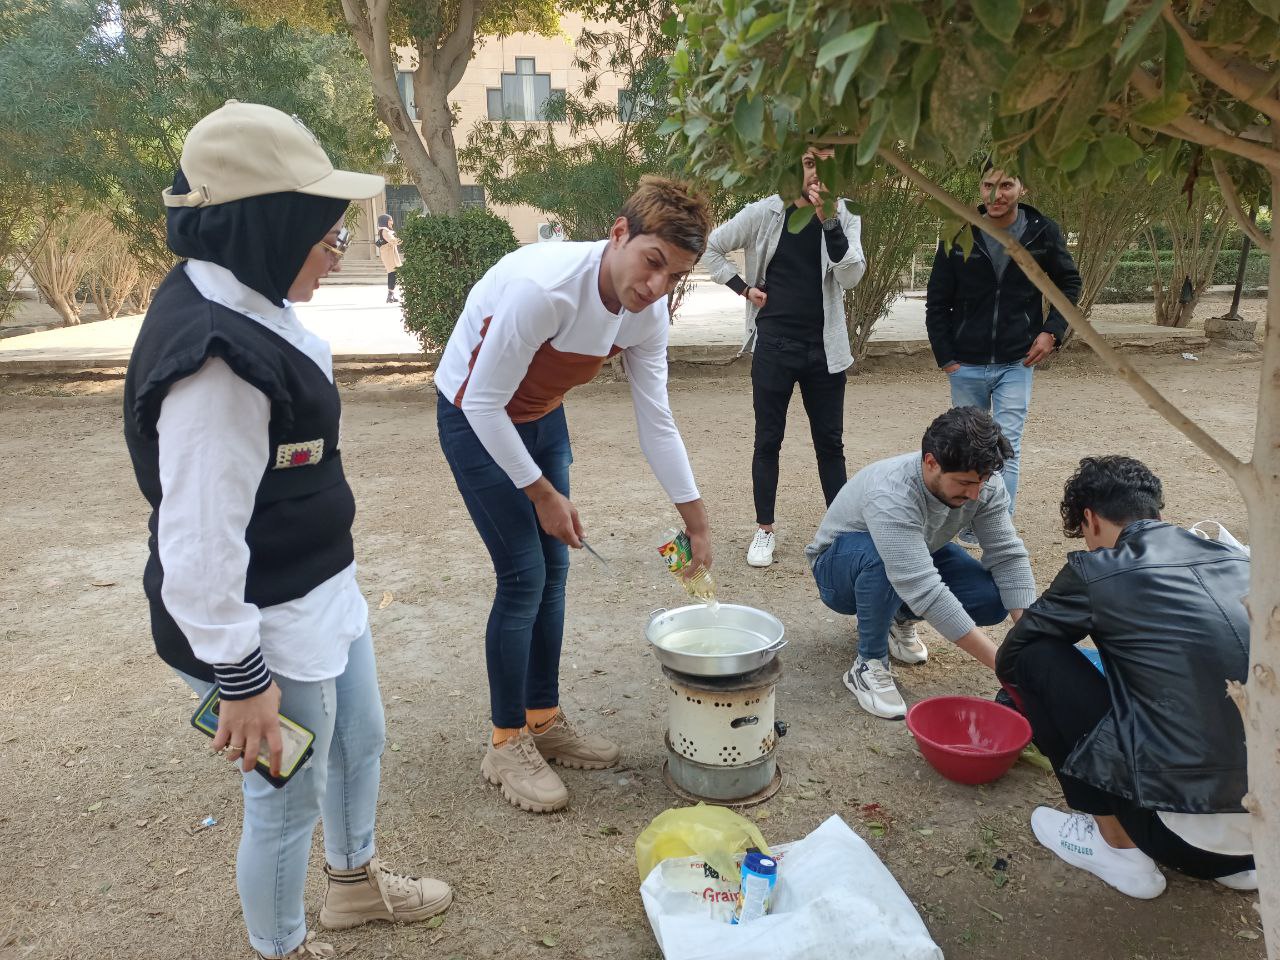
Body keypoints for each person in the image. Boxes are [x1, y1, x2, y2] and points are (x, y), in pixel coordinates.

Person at [122, 101, 450, 960]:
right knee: (284, 797)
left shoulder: (248, 300)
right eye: (324, 232)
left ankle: (354, 883)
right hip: (259, 622)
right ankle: (283, 946)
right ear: (264, 226)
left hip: (318, 584)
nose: (336, 250)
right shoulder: (215, 365)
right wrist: (241, 679)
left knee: (360, 736)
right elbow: (198, 544)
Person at [434, 176, 714, 814]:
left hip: (540, 415)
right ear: (619, 233)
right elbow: (482, 403)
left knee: (556, 570)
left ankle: (543, 718)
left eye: (675, 276)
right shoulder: (546, 290)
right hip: (475, 416)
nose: (656, 286)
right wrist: (541, 493)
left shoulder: (647, 314)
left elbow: (657, 419)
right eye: (652, 262)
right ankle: (506, 741)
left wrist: (696, 522)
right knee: (523, 576)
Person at [996, 455, 1255, 899]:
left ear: (1091, 519)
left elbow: (1013, 656)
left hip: (1175, 838)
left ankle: (1117, 847)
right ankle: (1235, 864)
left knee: (1036, 659)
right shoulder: (1239, 560)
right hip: (1266, 835)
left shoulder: (1099, 570)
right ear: (1157, 512)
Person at [806, 407, 1035, 720]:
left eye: (982, 481)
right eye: (965, 483)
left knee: (990, 597)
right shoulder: (891, 492)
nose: (975, 493)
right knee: (881, 558)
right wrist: (1006, 668)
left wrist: (1034, 641)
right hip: (839, 571)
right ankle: (868, 663)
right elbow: (924, 588)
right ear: (931, 463)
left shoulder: (983, 484)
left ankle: (896, 618)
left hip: (915, 553)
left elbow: (1007, 556)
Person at [704, 148, 866, 568]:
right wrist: (743, 288)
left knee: (830, 444)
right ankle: (764, 531)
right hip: (774, 345)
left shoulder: (845, 214)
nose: (818, 174)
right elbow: (711, 247)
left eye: (828, 165)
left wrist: (828, 221)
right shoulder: (766, 212)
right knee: (768, 439)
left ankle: (841, 533)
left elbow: (851, 276)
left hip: (825, 349)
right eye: (810, 163)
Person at [924, 162, 1082, 543]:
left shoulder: (1042, 231)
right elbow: (937, 299)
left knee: (1007, 445)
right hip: (966, 362)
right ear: (980, 188)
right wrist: (946, 355)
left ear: (1022, 188)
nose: (996, 194)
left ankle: (998, 527)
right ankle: (968, 525)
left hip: (1017, 359)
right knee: (969, 447)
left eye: (1006, 184)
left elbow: (1069, 283)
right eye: (988, 185)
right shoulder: (959, 231)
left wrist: (1052, 332)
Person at [376, 212, 403, 304]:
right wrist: (402, 239)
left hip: (390, 254)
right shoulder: (384, 231)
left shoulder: (386, 231)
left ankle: (391, 295)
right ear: (385, 221)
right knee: (392, 274)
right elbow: (393, 241)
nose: (392, 222)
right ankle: (390, 296)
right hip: (389, 255)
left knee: (393, 274)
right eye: (390, 220)